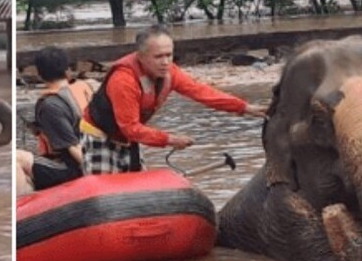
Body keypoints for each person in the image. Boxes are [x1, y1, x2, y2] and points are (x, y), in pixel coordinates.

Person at [81, 24, 267, 174]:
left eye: (169, 55)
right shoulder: (123, 80)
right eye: (158, 57)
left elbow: (202, 92)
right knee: (106, 191)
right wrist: (169, 139)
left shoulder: (170, 73)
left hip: (129, 137)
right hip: (100, 135)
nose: (165, 62)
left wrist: (244, 107)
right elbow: (130, 128)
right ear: (141, 57)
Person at [17, 47, 95, 191]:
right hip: (98, 153)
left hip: (74, 167)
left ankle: (23, 207)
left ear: (40, 75)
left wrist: (97, 175)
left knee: (16, 158)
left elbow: (73, 147)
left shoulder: (51, 105)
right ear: (68, 71)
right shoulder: (85, 87)